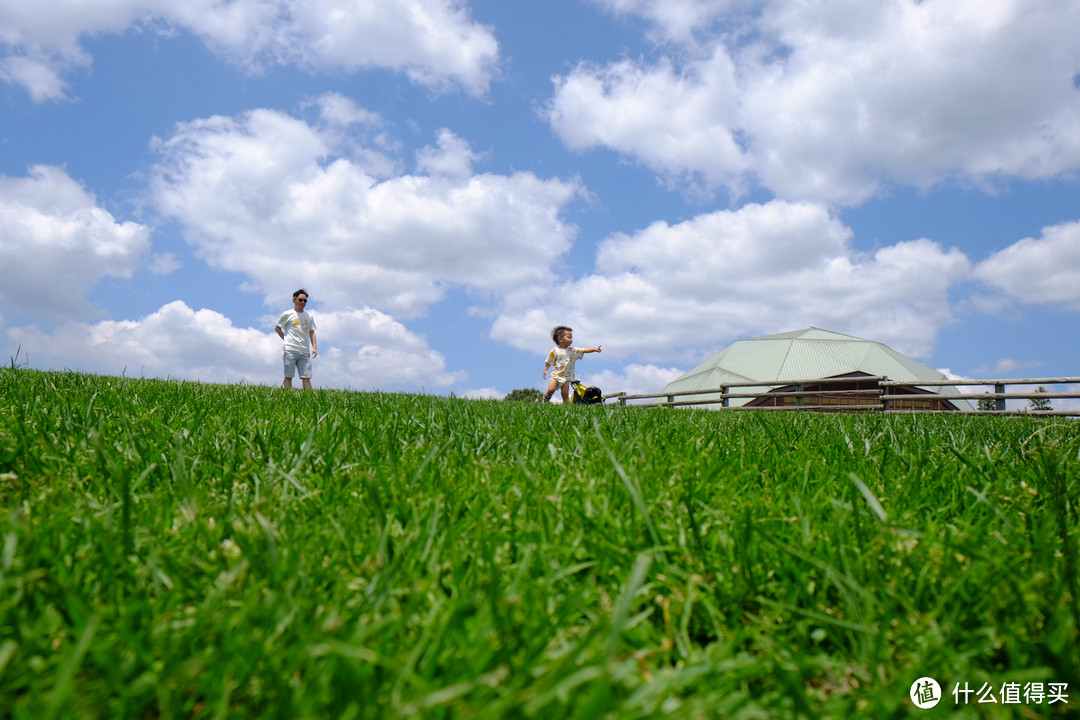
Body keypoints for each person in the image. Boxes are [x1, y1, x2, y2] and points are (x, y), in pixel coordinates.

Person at [542, 325, 601, 403]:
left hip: (566, 377)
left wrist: (594, 349)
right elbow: (549, 361)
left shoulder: (573, 350)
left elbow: (583, 350)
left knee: (565, 394)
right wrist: (546, 369)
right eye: (568, 337)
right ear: (560, 339)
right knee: (551, 389)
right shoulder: (555, 350)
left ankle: (567, 408)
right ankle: (545, 401)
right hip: (556, 375)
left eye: (571, 337)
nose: (571, 339)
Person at [276, 288, 318, 389]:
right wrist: (285, 339)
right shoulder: (287, 314)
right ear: (294, 300)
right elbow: (278, 328)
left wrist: (314, 348)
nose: (303, 302)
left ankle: (310, 400)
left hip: (304, 351)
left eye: (305, 300)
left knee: (306, 377)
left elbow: (312, 332)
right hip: (290, 349)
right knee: (288, 376)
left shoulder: (309, 316)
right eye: (300, 300)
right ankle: (287, 397)